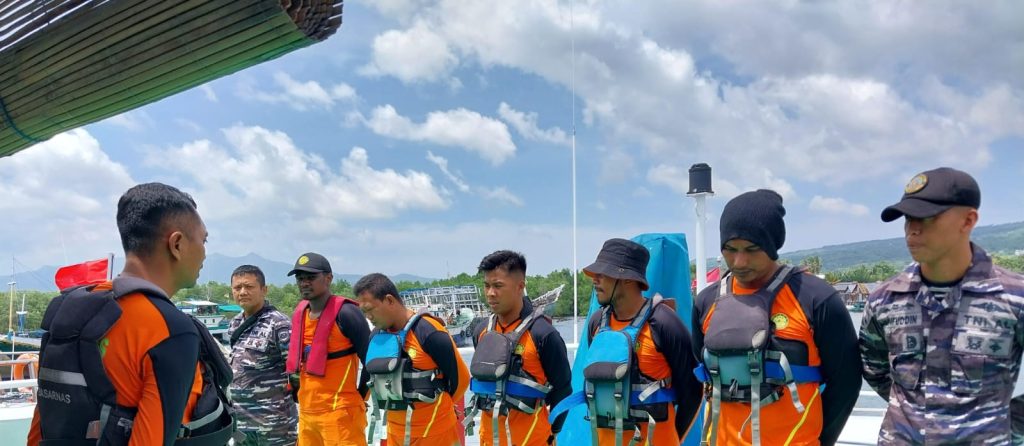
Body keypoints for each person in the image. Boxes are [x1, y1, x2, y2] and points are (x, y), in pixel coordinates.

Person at [28, 182, 235, 445]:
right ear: (177, 244)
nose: (205, 252)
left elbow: (42, 421)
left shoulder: (69, 308)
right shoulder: (169, 329)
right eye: (203, 240)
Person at [860, 167, 1024, 445]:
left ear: (968, 220)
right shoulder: (885, 300)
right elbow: (873, 368)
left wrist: (1003, 427)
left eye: (927, 217)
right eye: (908, 218)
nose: (913, 229)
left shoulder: (1014, 297)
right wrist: (911, 415)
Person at [692, 189, 860, 445]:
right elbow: (702, 373)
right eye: (730, 249)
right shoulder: (706, 302)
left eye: (752, 249)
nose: (739, 261)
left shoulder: (816, 298)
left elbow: (846, 383)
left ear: (773, 246)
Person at [550, 238, 703, 446]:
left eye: (602, 274)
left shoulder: (664, 323)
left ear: (628, 279)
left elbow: (692, 391)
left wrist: (672, 439)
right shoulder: (597, 323)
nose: (595, 280)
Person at [467, 250, 572, 446]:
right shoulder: (481, 332)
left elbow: (563, 389)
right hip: (488, 440)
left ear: (520, 286)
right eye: (487, 285)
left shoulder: (543, 334)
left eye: (498, 286)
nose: (490, 293)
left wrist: (553, 431)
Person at [356, 273, 470, 446]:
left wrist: (443, 407)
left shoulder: (429, 331)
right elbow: (368, 378)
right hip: (396, 432)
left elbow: (461, 379)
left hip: (435, 432)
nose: (368, 317)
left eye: (370, 309)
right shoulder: (376, 337)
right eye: (364, 312)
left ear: (389, 300)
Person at [285, 252, 370, 446]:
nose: (304, 283)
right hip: (307, 414)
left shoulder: (347, 313)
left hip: (340, 414)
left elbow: (370, 361)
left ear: (328, 278)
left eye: (311, 277)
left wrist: (360, 396)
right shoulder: (300, 314)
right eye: (300, 278)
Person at [227, 264, 297, 445]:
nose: (242, 292)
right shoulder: (235, 323)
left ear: (264, 290)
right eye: (237, 288)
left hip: (274, 425)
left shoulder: (278, 324)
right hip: (242, 423)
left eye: (249, 286)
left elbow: (296, 372)